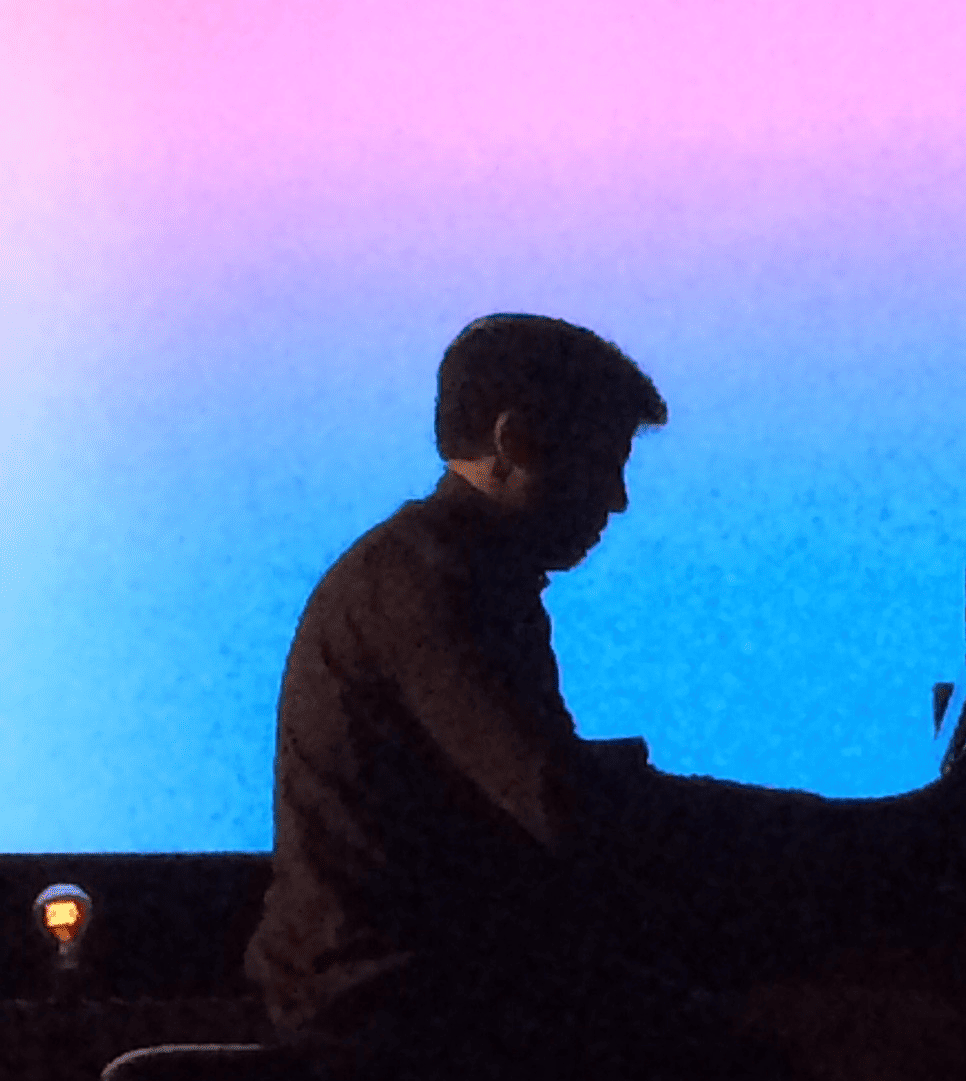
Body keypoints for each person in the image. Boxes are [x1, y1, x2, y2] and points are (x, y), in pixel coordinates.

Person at [242, 313, 795, 1080]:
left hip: (408, 994)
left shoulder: (434, 571)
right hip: (397, 1015)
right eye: (605, 460)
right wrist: (824, 837)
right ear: (515, 441)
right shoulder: (436, 584)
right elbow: (559, 807)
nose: (620, 499)